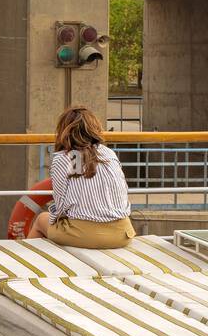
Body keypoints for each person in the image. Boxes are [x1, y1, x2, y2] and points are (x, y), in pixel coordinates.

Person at [28, 105, 134, 248]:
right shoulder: (109, 153)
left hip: (85, 235)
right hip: (123, 233)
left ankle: (26, 264)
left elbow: (61, 207)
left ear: (64, 131)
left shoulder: (66, 158)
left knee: (41, 219)